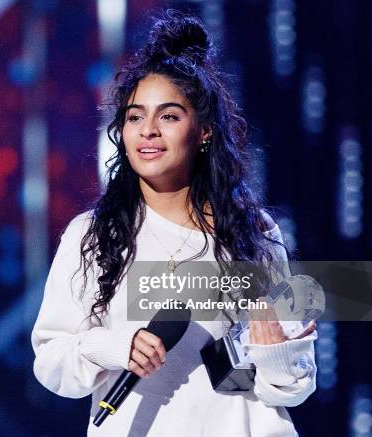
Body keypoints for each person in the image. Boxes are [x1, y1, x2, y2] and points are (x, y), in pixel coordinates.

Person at [31, 9, 317, 437]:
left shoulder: (252, 233)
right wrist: (116, 347)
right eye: (134, 117)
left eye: (168, 116)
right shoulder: (93, 236)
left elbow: (293, 386)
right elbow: (52, 362)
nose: (147, 131)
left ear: (202, 131)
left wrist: (276, 351)